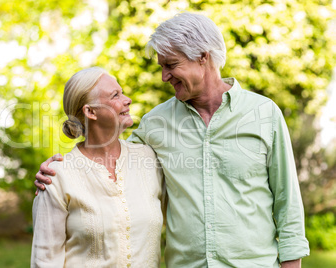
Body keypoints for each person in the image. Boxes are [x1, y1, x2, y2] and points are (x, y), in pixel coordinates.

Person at [35, 12, 309, 267]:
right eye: (162, 66)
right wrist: (57, 170)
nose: (165, 76)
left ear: (203, 57)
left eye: (172, 65)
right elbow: (108, 156)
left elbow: (288, 201)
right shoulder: (156, 123)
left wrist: (292, 262)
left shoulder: (263, 113)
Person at [31, 67, 164, 267]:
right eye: (115, 95)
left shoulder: (148, 159)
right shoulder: (57, 176)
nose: (127, 99)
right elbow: (45, 260)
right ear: (90, 111)